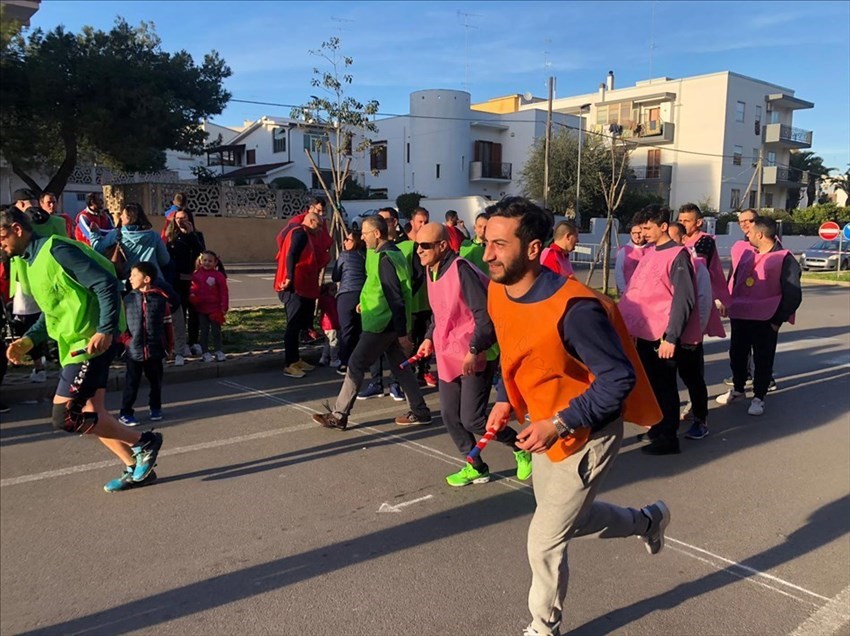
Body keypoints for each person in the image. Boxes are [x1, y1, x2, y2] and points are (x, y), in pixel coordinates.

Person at [481, 197, 667, 636]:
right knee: (574, 520)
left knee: (543, 539)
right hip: (543, 427)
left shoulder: (577, 309)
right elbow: (514, 352)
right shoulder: (498, 288)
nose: (488, 254)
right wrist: (506, 397)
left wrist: (560, 423)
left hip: (586, 432)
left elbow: (617, 380)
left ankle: (543, 627)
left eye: (499, 244)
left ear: (532, 249)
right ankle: (647, 520)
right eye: (486, 241)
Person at [1, 208, 163, 493]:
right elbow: (55, 308)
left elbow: (106, 284)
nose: (0, 245)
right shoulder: (30, 261)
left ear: (16, 229)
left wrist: (105, 329)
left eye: (1, 237)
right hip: (74, 344)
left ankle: (144, 442)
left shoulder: (57, 250)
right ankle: (136, 468)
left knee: (64, 417)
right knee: (92, 411)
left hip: (90, 342)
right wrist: (29, 339)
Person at [415, 222, 532, 486]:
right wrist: (427, 338)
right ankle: (476, 467)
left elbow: (485, 316)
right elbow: (440, 312)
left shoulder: (462, 270)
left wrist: (474, 349)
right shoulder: (430, 270)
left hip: (474, 354)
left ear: (442, 246)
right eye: (417, 246)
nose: (418, 251)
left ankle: (521, 447)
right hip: (447, 353)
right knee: (449, 416)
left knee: (473, 418)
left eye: (424, 246)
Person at [311, 215, 431, 430]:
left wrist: (403, 334)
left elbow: (395, 297)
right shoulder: (394, 253)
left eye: (365, 234)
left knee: (356, 364)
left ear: (377, 233)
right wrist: (365, 303)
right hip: (389, 322)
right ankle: (420, 411)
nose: (363, 238)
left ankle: (339, 415)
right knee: (401, 368)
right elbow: (383, 289)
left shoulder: (385, 258)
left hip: (382, 324)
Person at [618, 204, 700, 455]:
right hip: (644, 332)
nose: (643, 233)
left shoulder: (678, 255)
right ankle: (657, 427)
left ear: (663, 226)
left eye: (648, 228)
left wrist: (672, 337)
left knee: (666, 387)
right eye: (641, 228)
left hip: (662, 335)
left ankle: (668, 436)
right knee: (652, 385)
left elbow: (684, 299)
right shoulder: (651, 252)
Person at [717, 217, 801, 416]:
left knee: (763, 359)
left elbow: (793, 294)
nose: (747, 234)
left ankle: (759, 396)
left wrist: (776, 320)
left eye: (751, 231)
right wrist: (727, 303)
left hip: (766, 318)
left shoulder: (784, 258)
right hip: (741, 315)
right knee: (737, 355)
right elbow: (735, 281)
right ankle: (738, 389)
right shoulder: (747, 254)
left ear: (760, 235)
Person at [668, 222, 715, 440]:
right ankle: (668, 420)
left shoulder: (697, 266)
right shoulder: (663, 261)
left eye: (672, 238)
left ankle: (700, 419)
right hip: (667, 334)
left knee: (693, 378)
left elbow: (703, 302)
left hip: (689, 335)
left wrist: (697, 333)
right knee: (667, 380)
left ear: (683, 239)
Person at [118, 262, 173, 426]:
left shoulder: (161, 300)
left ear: (146, 279)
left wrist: (169, 347)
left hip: (155, 349)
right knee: (131, 383)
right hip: (134, 351)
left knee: (155, 382)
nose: (130, 278)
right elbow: (121, 326)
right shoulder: (126, 300)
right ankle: (126, 412)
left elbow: (168, 325)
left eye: (134, 275)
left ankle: (155, 408)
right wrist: (126, 341)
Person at [274, 211, 322, 378]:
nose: (320, 228)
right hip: (294, 287)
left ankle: (296, 359)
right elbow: (291, 255)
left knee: (299, 324)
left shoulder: (304, 234)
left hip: (301, 286)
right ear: (310, 221)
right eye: (319, 224)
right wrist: (288, 278)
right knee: (293, 326)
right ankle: (289, 364)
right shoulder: (300, 234)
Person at [165, 208, 206, 364]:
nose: (180, 221)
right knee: (180, 312)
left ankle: (194, 341)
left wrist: (190, 234)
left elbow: (201, 252)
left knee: (194, 311)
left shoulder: (196, 235)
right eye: (178, 218)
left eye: (184, 218)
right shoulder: (172, 236)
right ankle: (181, 343)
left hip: (194, 279)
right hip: (178, 280)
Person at [332, 228, 366, 376]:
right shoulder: (365, 256)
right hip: (362, 294)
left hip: (346, 294)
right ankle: (358, 361)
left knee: (346, 329)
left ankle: (344, 362)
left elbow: (335, 276)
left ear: (356, 242)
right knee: (359, 329)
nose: (345, 242)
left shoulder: (345, 255)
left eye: (348, 239)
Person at [190, 250, 229, 363]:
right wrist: (192, 296)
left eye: (210, 261)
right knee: (204, 331)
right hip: (201, 309)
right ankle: (205, 352)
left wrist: (224, 306)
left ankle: (218, 350)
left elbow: (223, 292)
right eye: (205, 260)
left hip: (215, 309)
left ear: (215, 262)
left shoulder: (218, 275)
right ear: (201, 261)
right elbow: (192, 288)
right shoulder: (196, 274)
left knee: (216, 331)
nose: (207, 263)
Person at [614, 222, 647, 294]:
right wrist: (624, 290)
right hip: (629, 291)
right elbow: (618, 272)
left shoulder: (652, 248)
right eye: (634, 233)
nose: (637, 236)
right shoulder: (624, 251)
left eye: (639, 233)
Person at [317, 282, 341, 368]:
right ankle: (334, 359)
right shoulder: (332, 301)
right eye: (333, 290)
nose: (335, 292)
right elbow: (334, 314)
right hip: (332, 325)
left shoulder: (322, 300)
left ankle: (324, 358)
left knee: (327, 342)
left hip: (325, 325)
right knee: (334, 343)